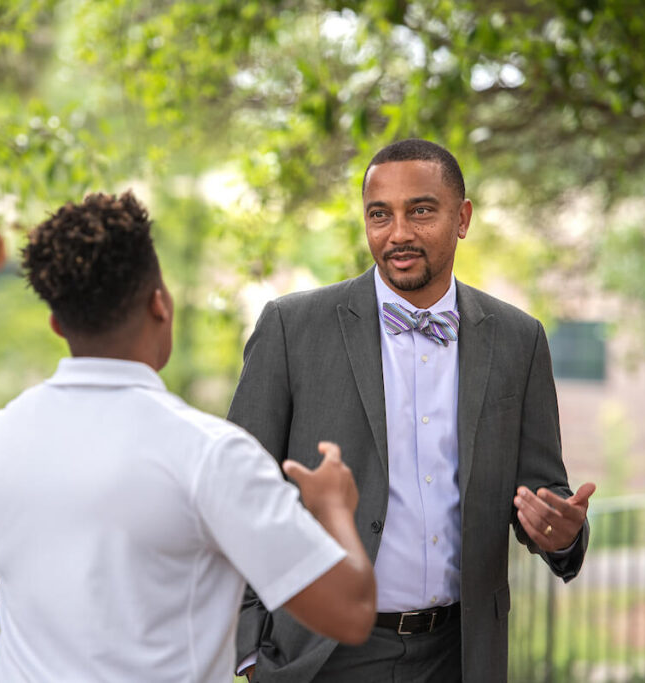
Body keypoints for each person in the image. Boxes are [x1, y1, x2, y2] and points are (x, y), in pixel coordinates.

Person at [0, 191, 377, 682]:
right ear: (160, 304)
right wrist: (333, 509)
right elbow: (350, 612)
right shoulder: (210, 455)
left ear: (57, 324)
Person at [229, 139, 596, 683]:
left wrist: (560, 533)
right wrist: (250, 651)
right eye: (380, 215)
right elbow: (238, 490)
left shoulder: (519, 340)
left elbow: (543, 492)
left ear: (462, 218)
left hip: (460, 654)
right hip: (322, 654)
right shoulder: (292, 328)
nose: (397, 233)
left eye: (420, 211)